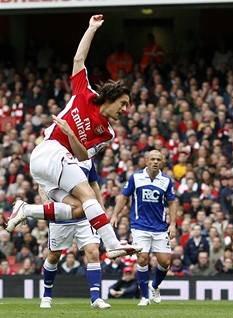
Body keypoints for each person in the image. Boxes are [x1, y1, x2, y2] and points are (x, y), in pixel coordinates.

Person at [6, 14, 140, 259]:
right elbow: (79, 59)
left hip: (58, 162)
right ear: (111, 98)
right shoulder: (85, 93)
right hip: (49, 151)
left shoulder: (107, 132)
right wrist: (91, 28)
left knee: (79, 209)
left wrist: (71, 133)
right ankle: (111, 245)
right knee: (88, 196)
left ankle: (26, 210)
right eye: (123, 103)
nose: (124, 110)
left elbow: (81, 155)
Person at [39, 159, 110, 309]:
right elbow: (42, 184)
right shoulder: (55, 157)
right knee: (54, 255)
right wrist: (47, 204)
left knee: (93, 251)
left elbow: (93, 184)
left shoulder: (87, 159)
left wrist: (101, 207)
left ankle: (95, 298)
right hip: (61, 215)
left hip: (85, 214)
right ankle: (46, 295)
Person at [112, 150, 177, 306]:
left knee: (165, 262)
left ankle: (154, 286)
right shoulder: (136, 177)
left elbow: (172, 202)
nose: (155, 162)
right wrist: (115, 215)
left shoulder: (166, 181)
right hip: (139, 226)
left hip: (160, 227)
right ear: (146, 160)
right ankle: (144, 297)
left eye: (158, 159)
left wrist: (173, 224)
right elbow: (124, 196)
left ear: (162, 162)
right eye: (152, 159)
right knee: (142, 259)